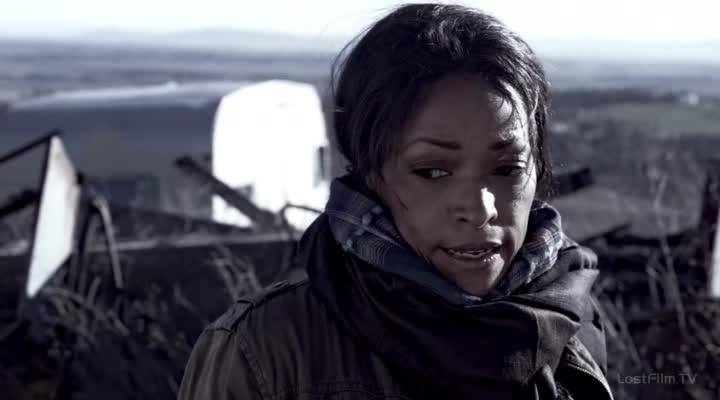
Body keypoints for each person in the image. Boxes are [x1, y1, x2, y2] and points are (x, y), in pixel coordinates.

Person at [178, 3, 613, 399]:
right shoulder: (267, 349)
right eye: (433, 172)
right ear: (370, 174)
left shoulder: (571, 322)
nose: (481, 210)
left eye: (507, 169)